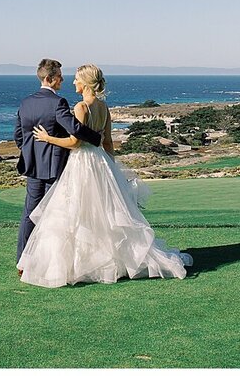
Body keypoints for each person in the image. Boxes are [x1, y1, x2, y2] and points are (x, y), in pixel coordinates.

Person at [16, 64, 192, 288]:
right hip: (100, 161)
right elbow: (107, 141)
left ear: (85, 83)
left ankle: (66, 263)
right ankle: (109, 260)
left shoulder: (80, 107)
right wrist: (112, 167)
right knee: (103, 213)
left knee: (75, 214)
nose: (72, 82)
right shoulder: (104, 107)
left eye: (76, 79)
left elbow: (75, 141)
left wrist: (47, 139)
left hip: (81, 163)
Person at [13, 59, 102, 271]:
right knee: (56, 215)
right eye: (59, 76)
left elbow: (18, 135)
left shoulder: (25, 102)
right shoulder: (58, 103)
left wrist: (31, 152)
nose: (62, 79)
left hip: (32, 167)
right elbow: (73, 128)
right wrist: (96, 139)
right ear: (49, 79)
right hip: (55, 167)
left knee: (29, 214)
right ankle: (52, 263)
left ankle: (22, 263)